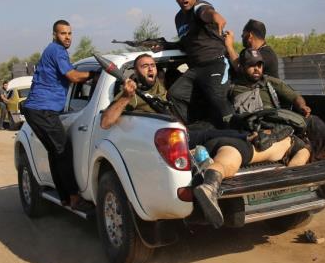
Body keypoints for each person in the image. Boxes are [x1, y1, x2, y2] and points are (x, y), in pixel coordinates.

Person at [100, 53, 309, 227]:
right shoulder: (132, 92)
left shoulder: (160, 87)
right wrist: (127, 96)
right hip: (176, 135)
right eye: (144, 66)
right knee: (212, 134)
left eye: (153, 65)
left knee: (213, 127)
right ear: (135, 71)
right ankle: (252, 137)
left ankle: (253, 137)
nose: (150, 69)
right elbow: (106, 122)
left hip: (188, 128)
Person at [231, 49, 325, 159]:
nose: (256, 69)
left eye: (259, 65)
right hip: (253, 126)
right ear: (242, 67)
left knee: (311, 121)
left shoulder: (268, 82)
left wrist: (302, 106)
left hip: (277, 120)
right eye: (251, 65)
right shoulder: (232, 89)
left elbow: (295, 96)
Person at [22, 19, 94, 211]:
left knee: (56, 153)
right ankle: (73, 197)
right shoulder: (57, 51)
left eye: (70, 33)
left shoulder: (53, 51)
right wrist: (95, 74)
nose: (67, 37)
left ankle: (64, 198)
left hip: (36, 110)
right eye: (63, 33)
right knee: (63, 151)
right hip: (43, 110)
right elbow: (72, 76)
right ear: (54, 35)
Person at [166, 0, 234, 127]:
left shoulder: (200, 6)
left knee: (217, 100)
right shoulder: (178, 18)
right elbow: (185, 44)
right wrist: (164, 46)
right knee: (175, 94)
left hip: (215, 63)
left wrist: (215, 16)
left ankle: (238, 134)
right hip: (195, 68)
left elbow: (206, 12)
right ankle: (191, 130)